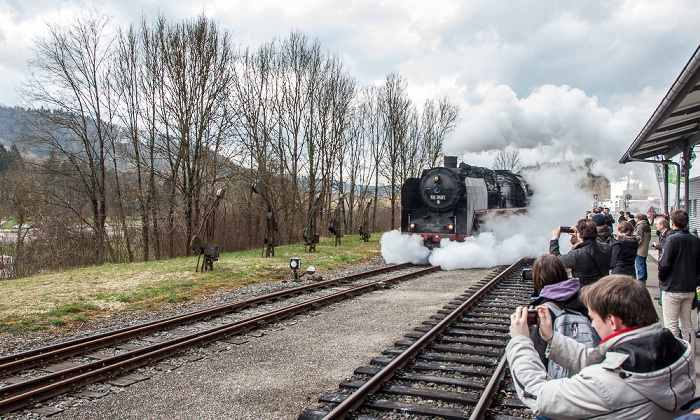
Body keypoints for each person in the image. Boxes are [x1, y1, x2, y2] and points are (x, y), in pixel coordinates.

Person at [506, 275, 695, 419]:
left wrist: (521, 341)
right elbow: (598, 359)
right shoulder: (677, 348)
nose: (593, 325)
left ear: (612, 321)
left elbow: (538, 395)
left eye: (593, 318)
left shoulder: (606, 384)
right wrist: (552, 338)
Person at [527, 254, 593, 376]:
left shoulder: (545, 310)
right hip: (588, 365)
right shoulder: (586, 297)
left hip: (559, 378)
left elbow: (539, 353)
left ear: (539, 280)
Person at [658, 210, 700, 346]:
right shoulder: (695, 240)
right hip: (689, 287)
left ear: (672, 222)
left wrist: (663, 279)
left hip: (672, 287)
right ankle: (689, 357)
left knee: (671, 325)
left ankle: (676, 359)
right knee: (687, 324)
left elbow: (664, 264)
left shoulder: (671, 240)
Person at [550, 218, 612, 286]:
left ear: (579, 235)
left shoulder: (576, 255)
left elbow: (555, 259)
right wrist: (579, 233)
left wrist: (554, 238)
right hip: (603, 288)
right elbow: (593, 243)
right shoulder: (606, 248)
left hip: (585, 292)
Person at [634, 213, 652, 283]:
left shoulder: (640, 226)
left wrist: (635, 245)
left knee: (640, 264)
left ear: (638, 219)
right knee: (643, 264)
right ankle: (644, 278)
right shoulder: (647, 225)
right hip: (645, 247)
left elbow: (639, 238)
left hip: (640, 249)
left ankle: (641, 280)